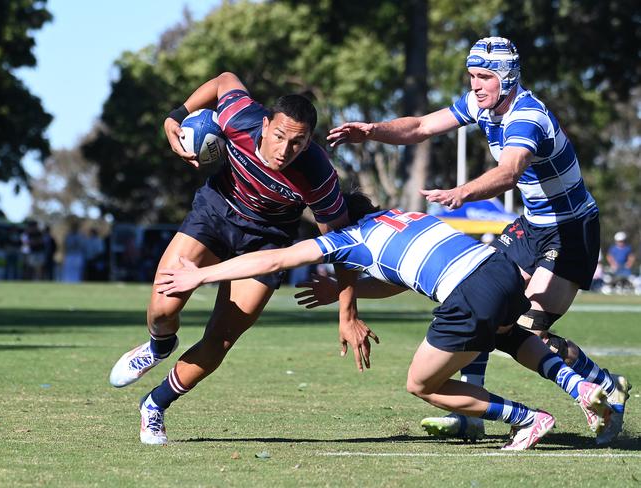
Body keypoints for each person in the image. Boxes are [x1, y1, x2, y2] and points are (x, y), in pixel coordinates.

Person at [326, 37, 630, 444]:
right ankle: (471, 415)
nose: (476, 85)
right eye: (472, 76)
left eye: (485, 77)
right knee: (485, 295)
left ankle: (605, 385)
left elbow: (508, 172)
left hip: (571, 231)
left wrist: (461, 193)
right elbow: (419, 126)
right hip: (532, 225)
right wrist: (372, 131)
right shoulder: (479, 105)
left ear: (506, 78)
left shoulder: (527, 118)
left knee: (528, 328)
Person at [155, 192, 611, 449]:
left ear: (336, 222)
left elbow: (275, 258)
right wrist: (344, 292)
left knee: (422, 384)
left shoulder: (350, 238)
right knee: (508, 337)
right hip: (499, 270)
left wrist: (203, 273)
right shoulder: (404, 216)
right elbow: (404, 277)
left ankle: (526, 419)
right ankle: (582, 387)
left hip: (470, 292)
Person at [108, 72, 376, 444]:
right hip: (215, 213)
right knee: (162, 309)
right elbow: (224, 80)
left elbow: (342, 245)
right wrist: (174, 116)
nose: (285, 150)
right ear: (265, 125)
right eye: (279, 136)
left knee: (220, 340)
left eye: (297, 143)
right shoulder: (239, 117)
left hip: (267, 242)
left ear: (309, 142)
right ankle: (159, 346)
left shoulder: (318, 176)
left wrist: (349, 314)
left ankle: (154, 405)